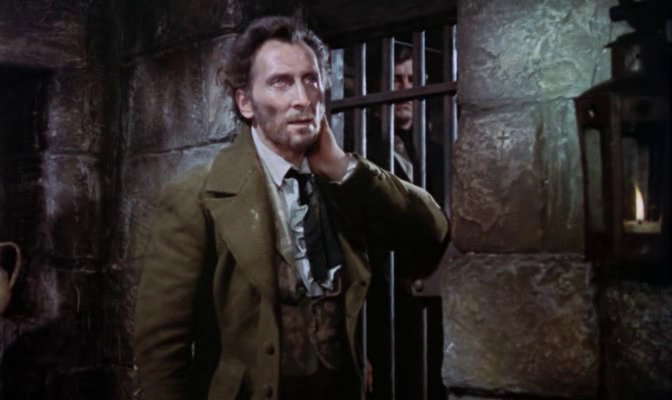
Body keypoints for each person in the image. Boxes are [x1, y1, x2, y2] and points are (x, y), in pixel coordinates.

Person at [133, 16, 449, 400]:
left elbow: (432, 229)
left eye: (311, 80)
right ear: (246, 102)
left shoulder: (343, 183)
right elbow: (162, 347)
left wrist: (342, 167)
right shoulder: (197, 195)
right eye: (281, 82)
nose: (302, 99)